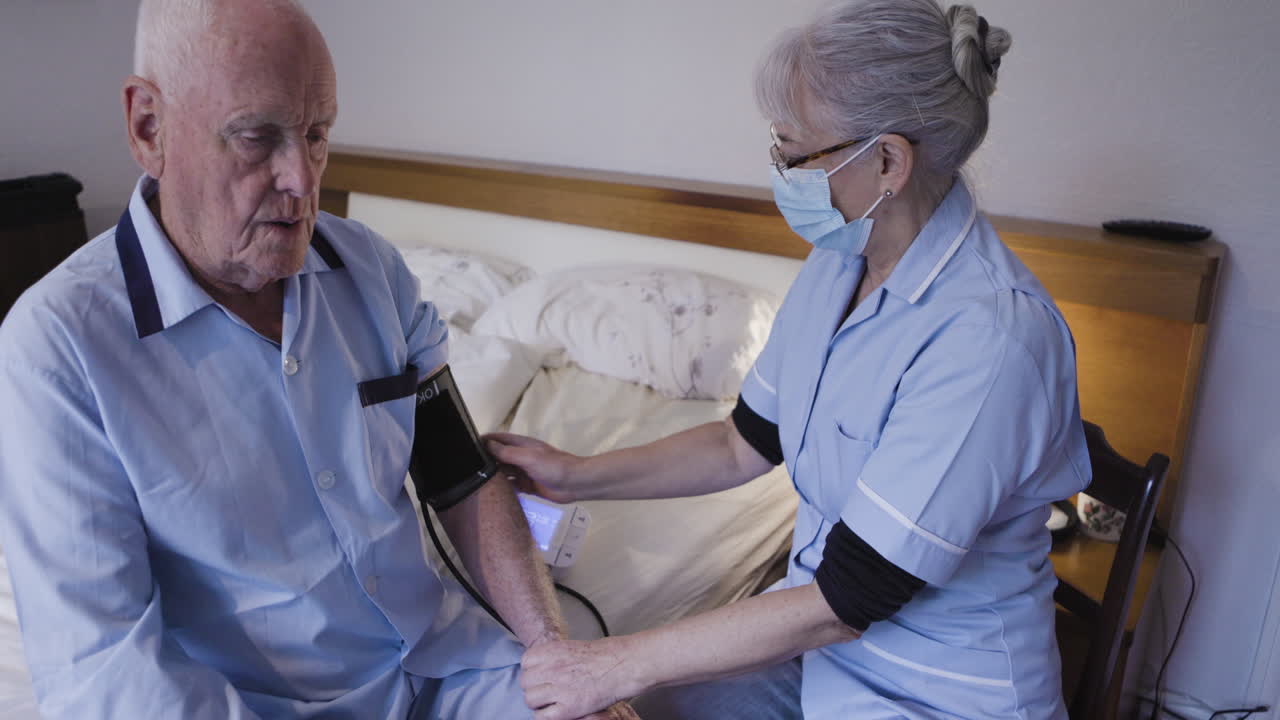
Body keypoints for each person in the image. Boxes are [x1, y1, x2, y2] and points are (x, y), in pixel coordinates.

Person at [0, 1, 636, 718]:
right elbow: (103, 672)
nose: (303, 180)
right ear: (149, 127)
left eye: (317, 133)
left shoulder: (370, 271)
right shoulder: (58, 349)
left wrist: (556, 659)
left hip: (442, 674)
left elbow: (462, 479)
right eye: (255, 137)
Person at [492, 1, 1091, 718]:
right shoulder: (840, 260)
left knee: (615, 686)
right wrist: (578, 476)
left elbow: (847, 599)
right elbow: (741, 442)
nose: (779, 172)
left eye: (792, 152)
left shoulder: (993, 339)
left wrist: (608, 665)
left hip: (930, 692)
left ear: (888, 161)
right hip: (819, 657)